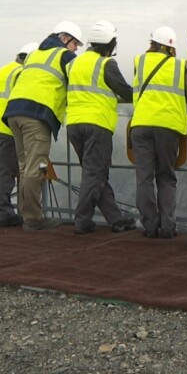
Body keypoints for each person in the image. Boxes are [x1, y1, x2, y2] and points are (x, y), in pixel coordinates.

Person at [4, 21, 83, 232]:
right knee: (35, 167)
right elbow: (78, 81)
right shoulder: (64, 56)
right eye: (76, 44)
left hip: (14, 111)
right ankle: (33, 218)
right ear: (65, 38)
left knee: (23, 166)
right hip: (36, 114)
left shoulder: (34, 54)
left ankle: (25, 213)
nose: (76, 49)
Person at [65, 20, 136, 235]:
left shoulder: (73, 64)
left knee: (94, 173)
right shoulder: (106, 65)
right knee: (94, 174)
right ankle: (82, 220)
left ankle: (116, 219)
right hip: (97, 125)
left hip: (74, 124)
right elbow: (125, 92)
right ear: (110, 44)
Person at [130, 26, 187, 239]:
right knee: (166, 177)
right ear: (171, 48)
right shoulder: (180, 66)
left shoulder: (140, 61)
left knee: (144, 178)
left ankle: (149, 225)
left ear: (152, 44)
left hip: (141, 124)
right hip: (168, 126)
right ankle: (167, 227)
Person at [0, 42, 37, 227]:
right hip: (6, 128)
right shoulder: (21, 73)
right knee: (5, 170)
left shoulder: (2, 71)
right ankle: (5, 213)